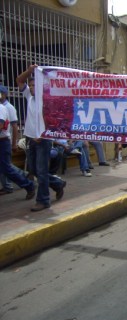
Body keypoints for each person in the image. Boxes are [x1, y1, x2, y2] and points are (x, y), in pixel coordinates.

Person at [17, 65, 66, 211]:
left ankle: (43, 200)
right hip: (30, 138)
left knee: (41, 170)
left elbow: (51, 120)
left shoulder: (46, 100)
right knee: (33, 169)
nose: (31, 87)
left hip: (43, 140)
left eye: (34, 85)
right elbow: (19, 80)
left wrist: (42, 134)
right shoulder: (29, 97)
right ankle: (57, 184)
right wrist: (29, 71)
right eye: (30, 85)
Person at [0, 103, 35, 199]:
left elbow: (1, 125)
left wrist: (14, 144)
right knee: (5, 168)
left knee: (7, 169)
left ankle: (28, 184)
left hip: (2, 143)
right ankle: (25, 176)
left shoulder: (1, 108)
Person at [0, 85, 20, 194]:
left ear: (4, 94)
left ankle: (24, 179)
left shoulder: (8, 107)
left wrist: (14, 143)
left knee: (6, 166)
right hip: (4, 139)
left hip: (6, 139)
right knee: (6, 165)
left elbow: (15, 126)